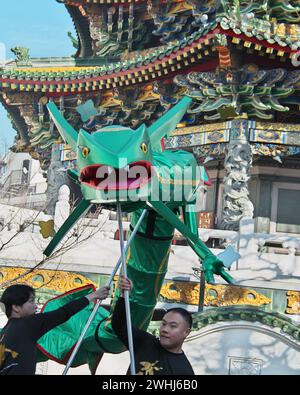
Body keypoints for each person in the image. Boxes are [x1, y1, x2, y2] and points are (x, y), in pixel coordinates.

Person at [0, 283, 110, 375]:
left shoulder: (4, 334)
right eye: (31, 301)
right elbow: (64, 312)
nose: (35, 306)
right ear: (16, 307)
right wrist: (94, 295)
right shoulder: (27, 324)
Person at [112, 276, 194, 375]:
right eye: (163, 324)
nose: (165, 329)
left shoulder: (184, 371)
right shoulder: (145, 342)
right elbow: (119, 326)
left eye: (173, 326)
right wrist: (124, 296)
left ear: (186, 332)